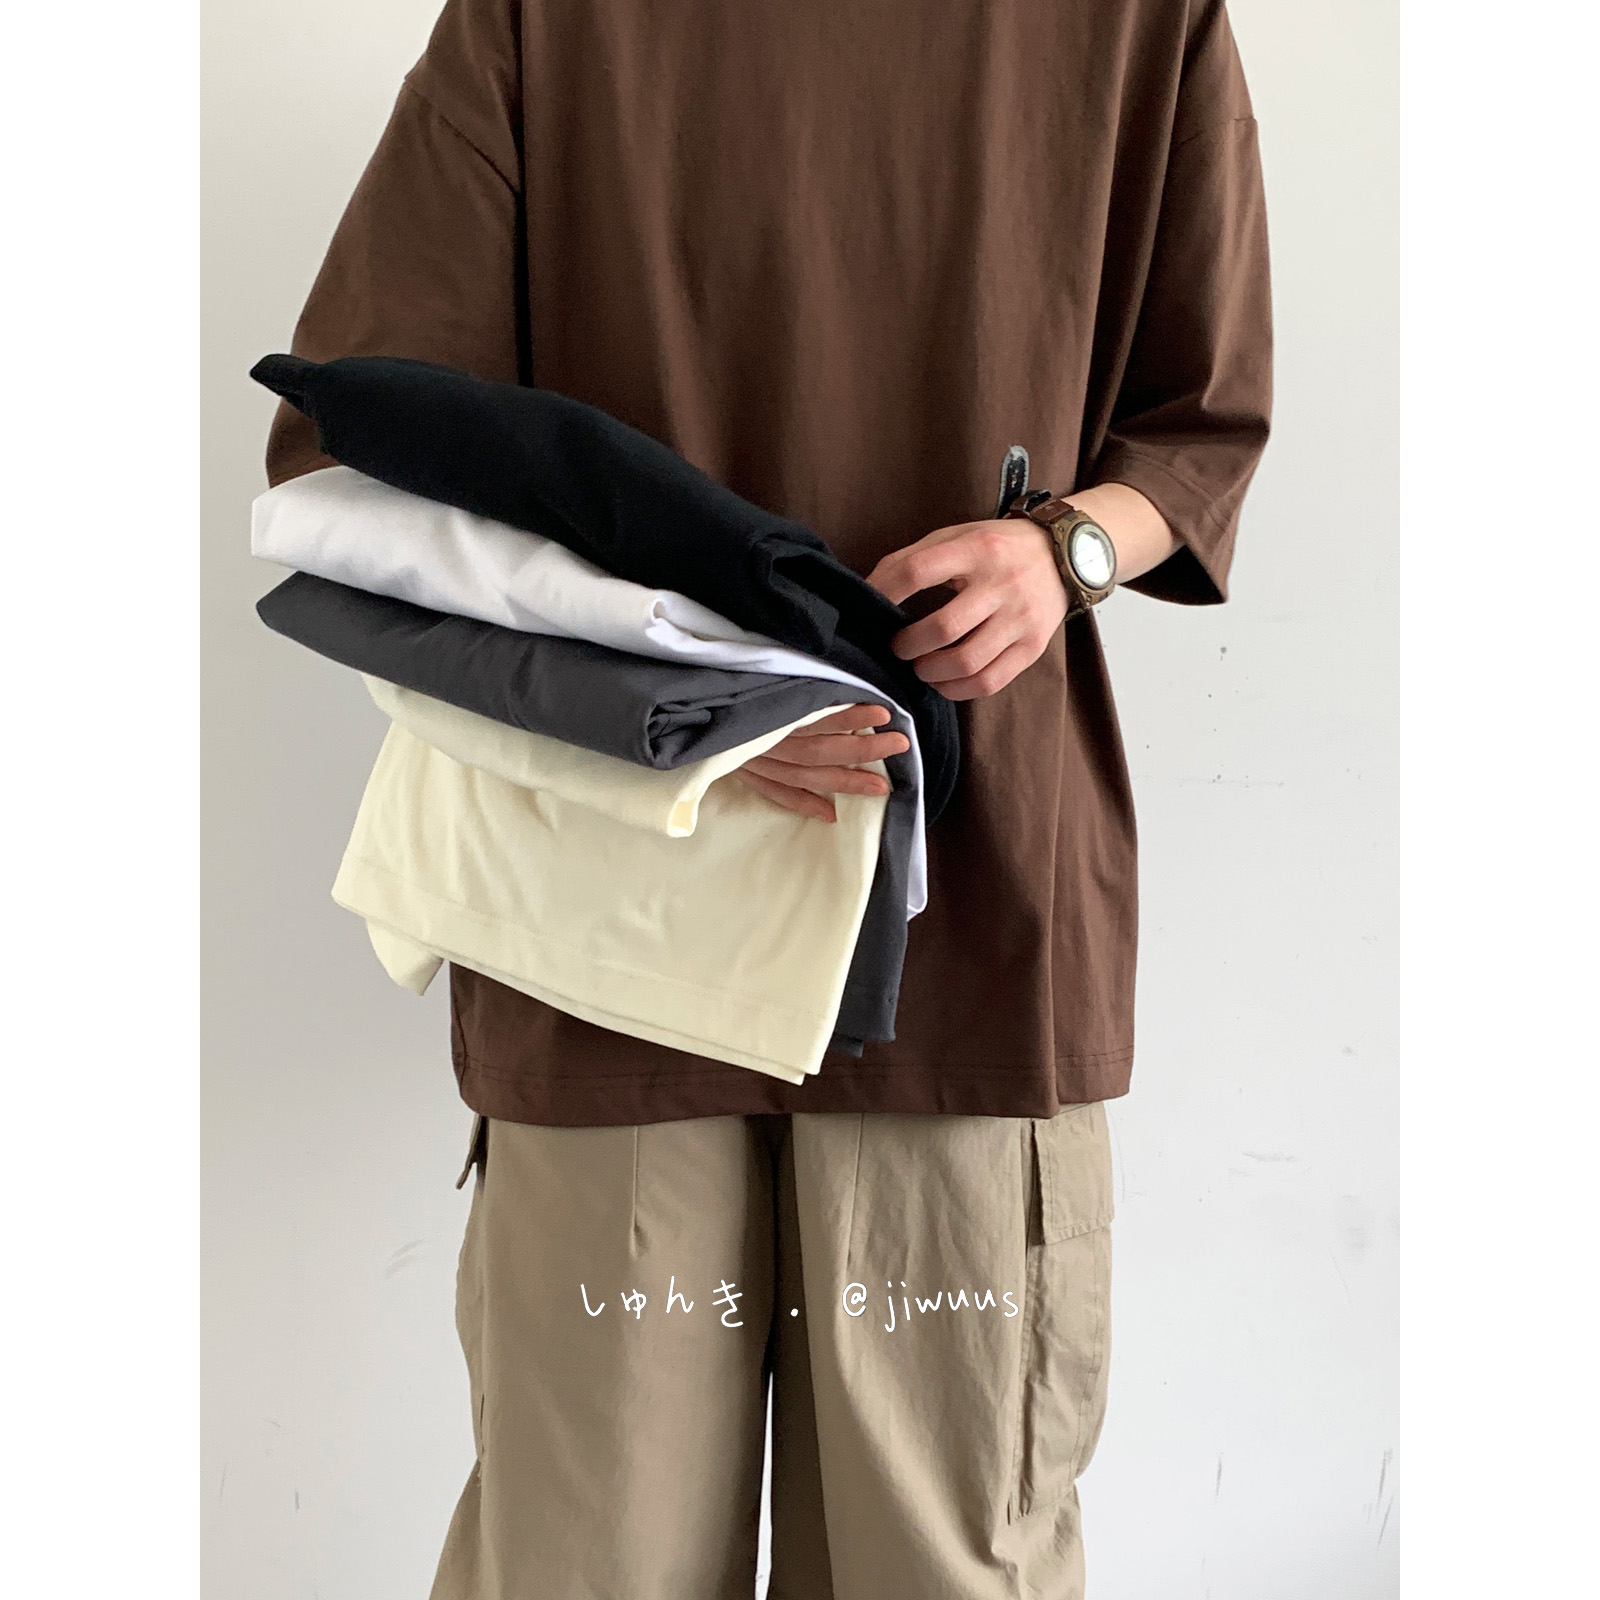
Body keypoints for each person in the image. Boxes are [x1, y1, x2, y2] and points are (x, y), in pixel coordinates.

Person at [263, 0, 1271, 1592]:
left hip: (963, 918)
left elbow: (1196, 425)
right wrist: (698, 704)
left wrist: (1062, 552)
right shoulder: (537, 19)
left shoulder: (1138, 21)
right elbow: (362, 445)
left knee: (937, 1560)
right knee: (592, 1561)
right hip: (615, 931)